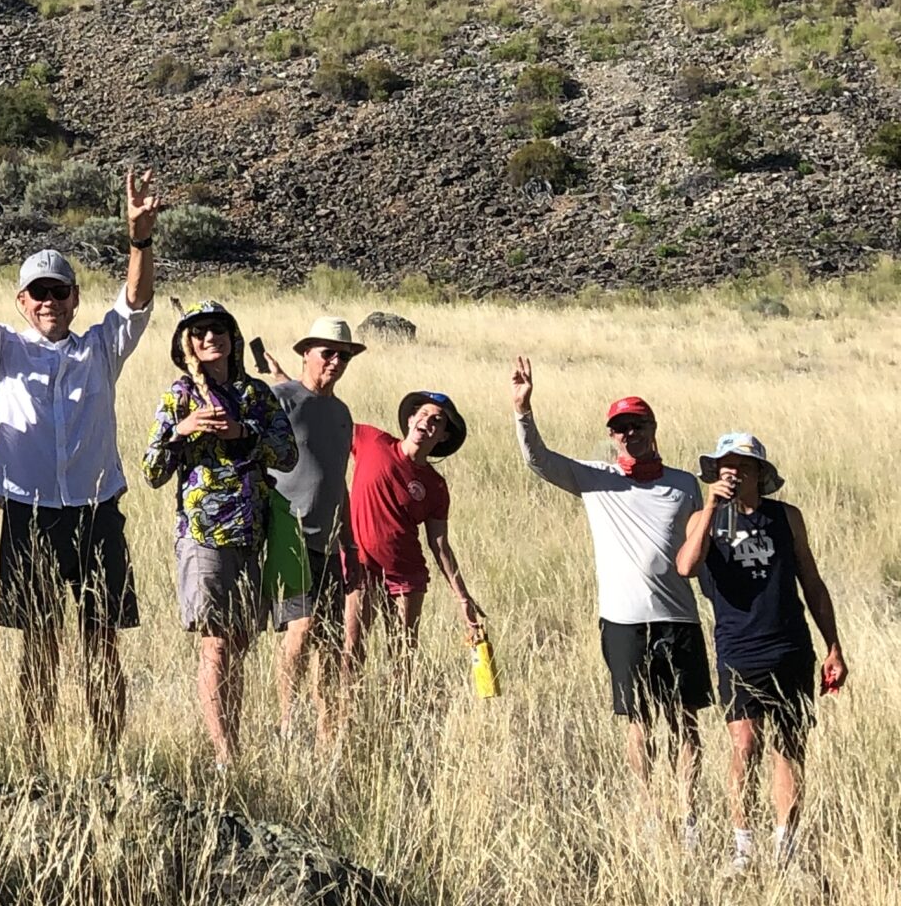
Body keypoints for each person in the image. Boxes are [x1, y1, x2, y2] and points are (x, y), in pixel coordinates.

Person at [0, 170, 162, 755]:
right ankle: (34, 756)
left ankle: (109, 758)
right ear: (21, 301)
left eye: (58, 291)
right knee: (38, 643)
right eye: (37, 292)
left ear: (74, 298)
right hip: (29, 513)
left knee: (102, 641)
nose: (48, 302)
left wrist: (139, 241)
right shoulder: (3, 350)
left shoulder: (99, 349)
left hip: (95, 511)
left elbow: (135, 305)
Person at [510, 358, 710, 841]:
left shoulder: (683, 485)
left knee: (684, 722)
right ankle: (647, 812)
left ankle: (688, 817)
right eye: (619, 429)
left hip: (679, 618)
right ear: (612, 436)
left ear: (653, 428)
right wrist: (522, 410)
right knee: (637, 720)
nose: (628, 435)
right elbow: (540, 460)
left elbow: (698, 549)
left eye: (636, 426)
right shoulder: (597, 477)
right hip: (622, 621)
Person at [673, 433, 847, 869]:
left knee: (790, 746)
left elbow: (812, 581)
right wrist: (712, 507)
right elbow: (686, 567)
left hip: (789, 645)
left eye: (743, 467)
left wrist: (833, 646)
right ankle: (743, 848)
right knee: (744, 744)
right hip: (738, 649)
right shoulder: (704, 518)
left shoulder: (786, 518)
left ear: (760, 475)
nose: (733, 473)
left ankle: (785, 848)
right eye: (725, 466)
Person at [142, 302, 296, 766]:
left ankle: (233, 739)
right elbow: (151, 470)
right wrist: (183, 431)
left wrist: (240, 433)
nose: (211, 338)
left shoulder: (257, 395)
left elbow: (287, 454)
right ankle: (226, 754)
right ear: (186, 343)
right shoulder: (179, 396)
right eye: (200, 331)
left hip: (253, 532)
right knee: (216, 642)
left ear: (233, 337)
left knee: (241, 642)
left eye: (219, 329)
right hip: (202, 535)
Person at [258, 318, 365, 741]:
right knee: (301, 629)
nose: (335, 361)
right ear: (306, 353)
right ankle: (288, 720)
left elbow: (339, 482)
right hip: (288, 534)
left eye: (343, 355)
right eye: (327, 352)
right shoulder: (280, 400)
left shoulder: (341, 414)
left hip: (328, 540)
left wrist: (350, 544)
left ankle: (326, 730)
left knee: (328, 639)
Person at [346, 391, 483, 664]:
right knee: (351, 648)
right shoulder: (371, 441)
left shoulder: (436, 485)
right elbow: (325, 418)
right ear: (410, 420)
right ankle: (347, 708)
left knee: (403, 654)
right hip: (361, 564)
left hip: (406, 575)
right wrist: (289, 386)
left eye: (437, 420)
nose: (427, 421)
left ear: (443, 436)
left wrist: (463, 597)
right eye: (422, 414)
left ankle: (400, 708)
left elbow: (440, 544)